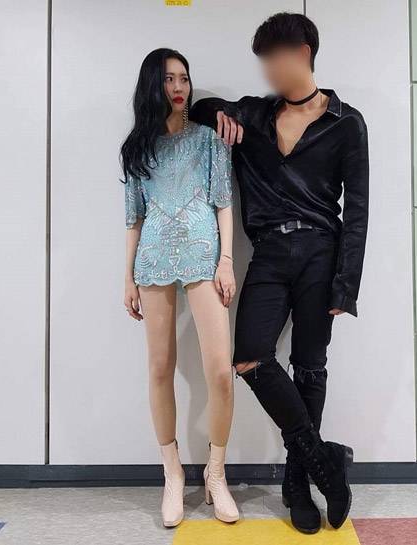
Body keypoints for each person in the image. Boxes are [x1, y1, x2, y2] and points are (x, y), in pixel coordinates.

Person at [190, 12, 369, 534]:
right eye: (262, 60)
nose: (267, 69)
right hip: (268, 252)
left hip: (321, 252)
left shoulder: (346, 122)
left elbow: (358, 208)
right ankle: (324, 462)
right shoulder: (253, 113)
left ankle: (297, 482)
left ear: (303, 53)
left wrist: (346, 284)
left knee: (310, 365)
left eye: (274, 57)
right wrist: (217, 111)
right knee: (249, 356)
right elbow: (200, 110)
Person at [121, 48, 239, 527]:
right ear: (153, 84)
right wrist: (127, 277)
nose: (178, 87)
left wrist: (226, 261)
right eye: (169, 79)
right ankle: (172, 473)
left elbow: (223, 203)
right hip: (152, 259)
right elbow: (134, 218)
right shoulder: (137, 149)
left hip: (205, 258)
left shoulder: (208, 140)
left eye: (184, 79)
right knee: (159, 368)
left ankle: (216, 473)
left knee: (220, 372)